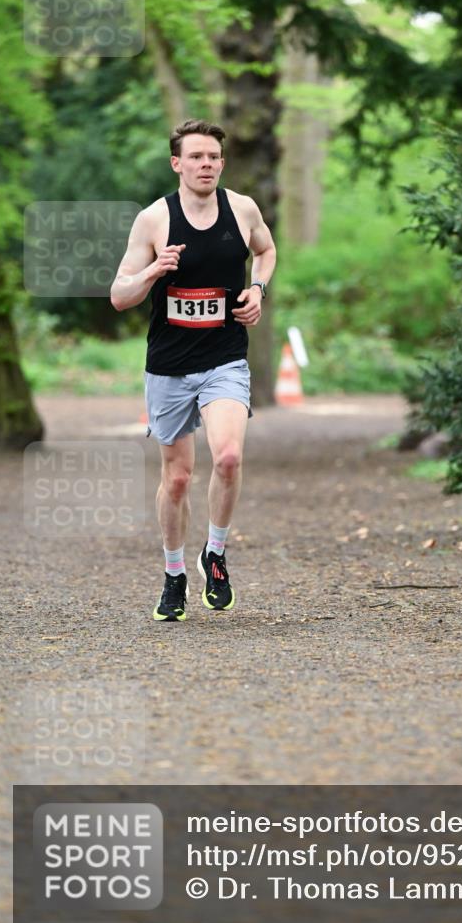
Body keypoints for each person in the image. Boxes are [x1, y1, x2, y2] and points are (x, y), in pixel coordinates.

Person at [110, 119, 276, 622]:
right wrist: (154, 270)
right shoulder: (154, 219)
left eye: (214, 157)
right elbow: (120, 295)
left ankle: (216, 553)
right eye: (196, 156)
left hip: (224, 357)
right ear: (176, 163)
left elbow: (265, 251)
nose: (206, 164)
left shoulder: (242, 209)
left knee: (227, 458)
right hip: (169, 366)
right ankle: (175, 573)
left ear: (222, 163)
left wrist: (258, 290)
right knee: (178, 479)